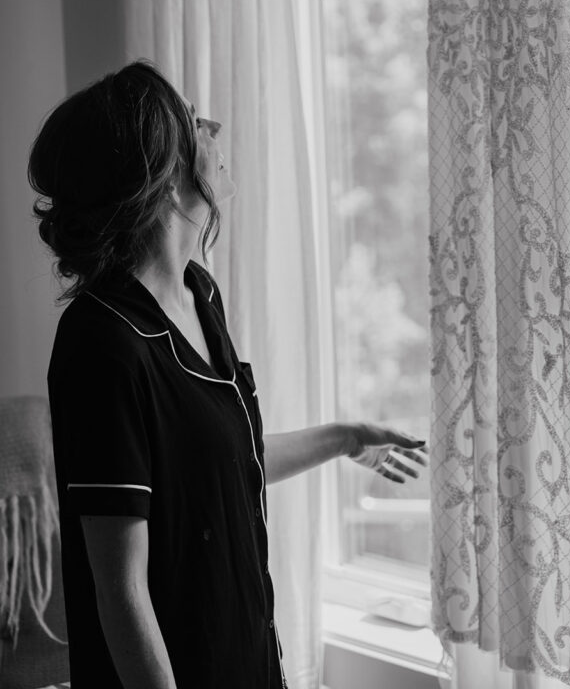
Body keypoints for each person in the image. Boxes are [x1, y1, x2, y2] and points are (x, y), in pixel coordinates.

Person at [28, 59, 428, 689]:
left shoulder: (199, 296)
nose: (213, 128)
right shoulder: (100, 342)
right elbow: (121, 589)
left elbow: (217, 471)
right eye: (193, 121)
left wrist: (346, 438)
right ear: (162, 179)